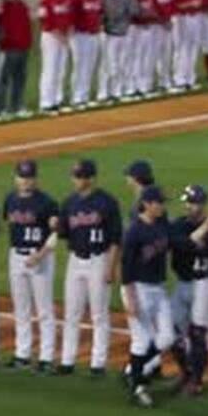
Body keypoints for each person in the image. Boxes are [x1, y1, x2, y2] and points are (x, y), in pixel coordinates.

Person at [57, 159, 122, 376]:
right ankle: (67, 361)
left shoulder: (107, 202)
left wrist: (111, 267)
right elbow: (64, 234)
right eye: (75, 176)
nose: (76, 180)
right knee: (71, 313)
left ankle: (98, 364)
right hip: (76, 260)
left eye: (80, 176)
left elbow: (115, 239)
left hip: (99, 259)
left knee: (99, 314)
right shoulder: (68, 203)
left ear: (91, 178)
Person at [168, 184, 208, 396]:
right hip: (183, 282)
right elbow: (183, 244)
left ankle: (196, 380)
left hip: (204, 283)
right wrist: (207, 229)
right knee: (170, 331)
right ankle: (186, 371)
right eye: (187, 202)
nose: (189, 206)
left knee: (198, 332)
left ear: (202, 204)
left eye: (192, 202)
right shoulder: (177, 226)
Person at [121, 185, 176, 407]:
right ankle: (137, 386)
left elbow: (176, 241)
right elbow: (126, 268)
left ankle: (133, 371)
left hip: (158, 288)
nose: (162, 206)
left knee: (167, 337)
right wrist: (130, 298)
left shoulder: (162, 225)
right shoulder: (134, 231)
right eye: (159, 202)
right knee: (142, 339)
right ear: (147, 204)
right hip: (138, 289)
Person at [3, 160, 59, 372]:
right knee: (21, 309)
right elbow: (10, 224)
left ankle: (46, 358)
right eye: (22, 177)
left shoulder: (47, 203)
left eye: (29, 177)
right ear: (16, 178)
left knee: (44, 310)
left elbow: (56, 233)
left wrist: (41, 254)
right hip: (16, 256)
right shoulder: (10, 199)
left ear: (36, 178)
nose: (26, 181)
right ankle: (22, 354)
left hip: (40, 258)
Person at [0, 0, 34, 119]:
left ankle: (16, 106)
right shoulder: (3, 6)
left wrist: (28, 43)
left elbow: (27, 26)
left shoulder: (23, 6)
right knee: (4, 79)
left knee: (20, 79)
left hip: (22, 47)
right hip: (8, 48)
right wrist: (2, 42)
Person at [99, 0, 137, 102]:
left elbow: (134, 10)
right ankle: (104, 93)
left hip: (124, 32)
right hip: (110, 33)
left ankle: (118, 91)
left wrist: (122, 13)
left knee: (122, 63)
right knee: (109, 65)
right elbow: (106, 12)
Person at [37, 0, 73, 113]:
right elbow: (44, 21)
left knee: (61, 70)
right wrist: (59, 35)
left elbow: (70, 18)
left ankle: (58, 99)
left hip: (64, 37)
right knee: (49, 70)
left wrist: (68, 33)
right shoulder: (45, 0)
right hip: (50, 37)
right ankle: (46, 102)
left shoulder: (66, 0)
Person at [69, 0, 105, 108]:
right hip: (80, 35)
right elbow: (71, 15)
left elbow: (101, 13)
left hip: (94, 35)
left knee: (90, 66)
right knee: (79, 65)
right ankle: (76, 97)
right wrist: (71, 31)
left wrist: (100, 25)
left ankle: (84, 96)